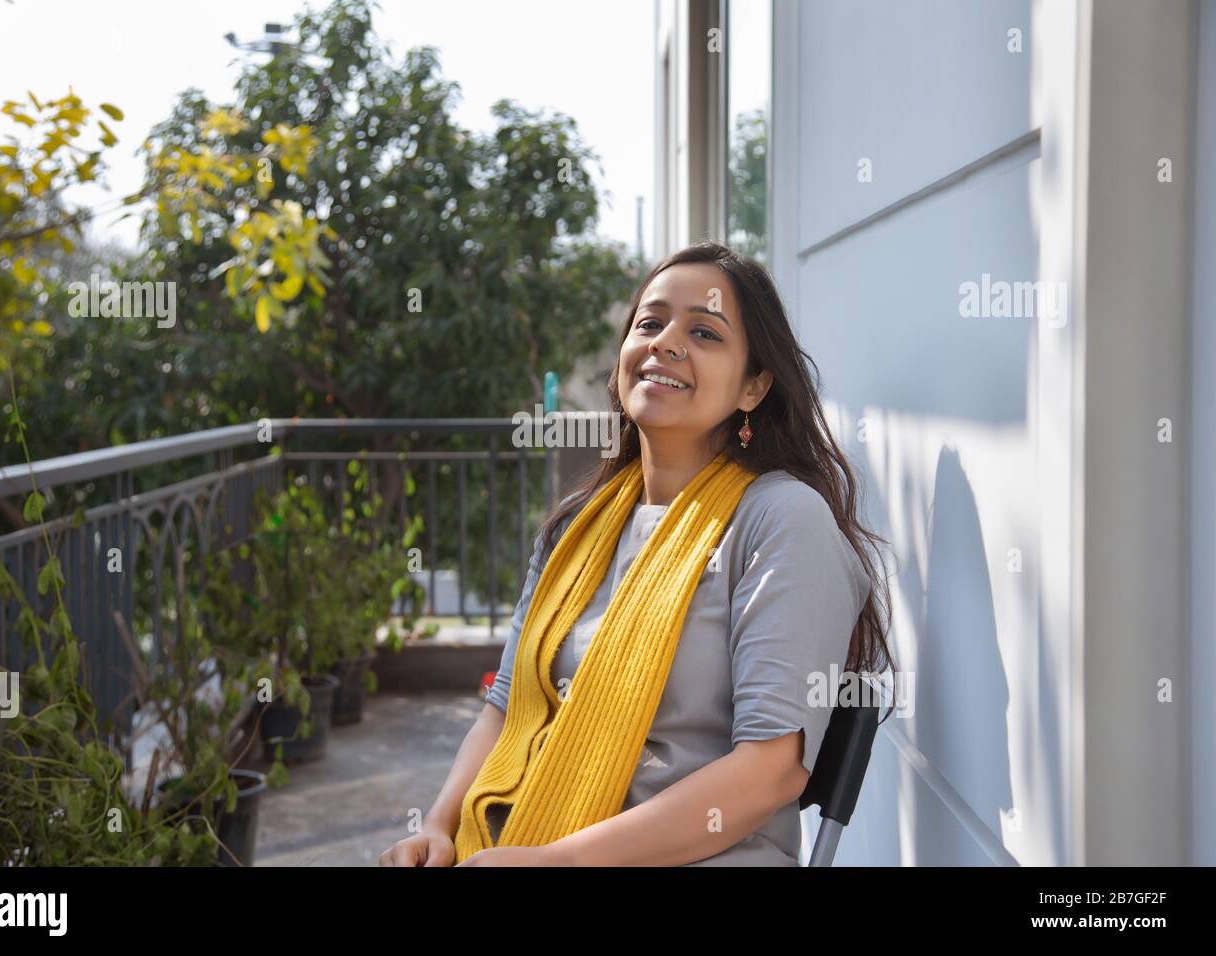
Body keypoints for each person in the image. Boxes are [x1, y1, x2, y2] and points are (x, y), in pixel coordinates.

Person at [380, 240, 894, 867]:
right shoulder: (575, 531)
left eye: (705, 332)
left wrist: (559, 862)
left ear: (754, 387)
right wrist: (438, 825)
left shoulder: (780, 520)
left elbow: (772, 771)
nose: (666, 342)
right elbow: (506, 710)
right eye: (649, 324)